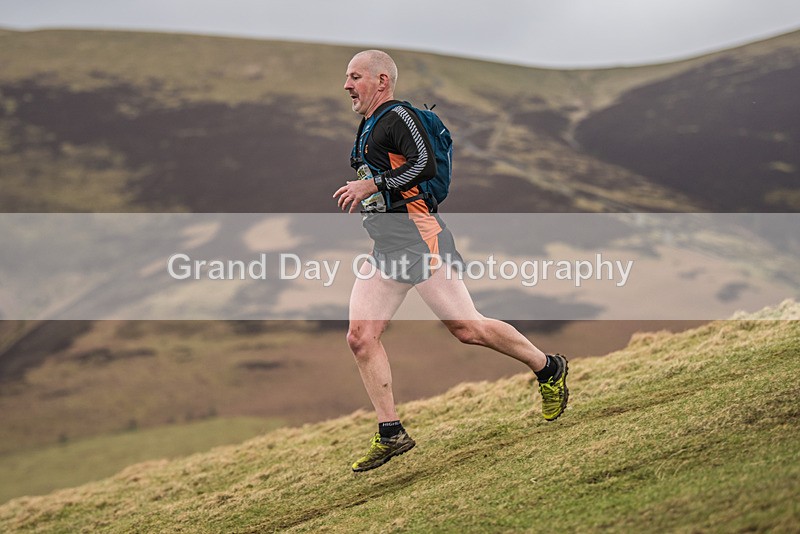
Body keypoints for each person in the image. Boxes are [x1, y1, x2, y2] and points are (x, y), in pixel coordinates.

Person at [333, 50, 569, 473]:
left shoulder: (398, 116)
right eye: (347, 78)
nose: (347, 85)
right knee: (360, 337)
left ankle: (548, 368)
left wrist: (372, 183)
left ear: (381, 80)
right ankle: (391, 431)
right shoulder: (368, 124)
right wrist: (372, 191)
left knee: (467, 328)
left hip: (423, 240)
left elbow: (423, 165)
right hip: (386, 248)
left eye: (355, 77)